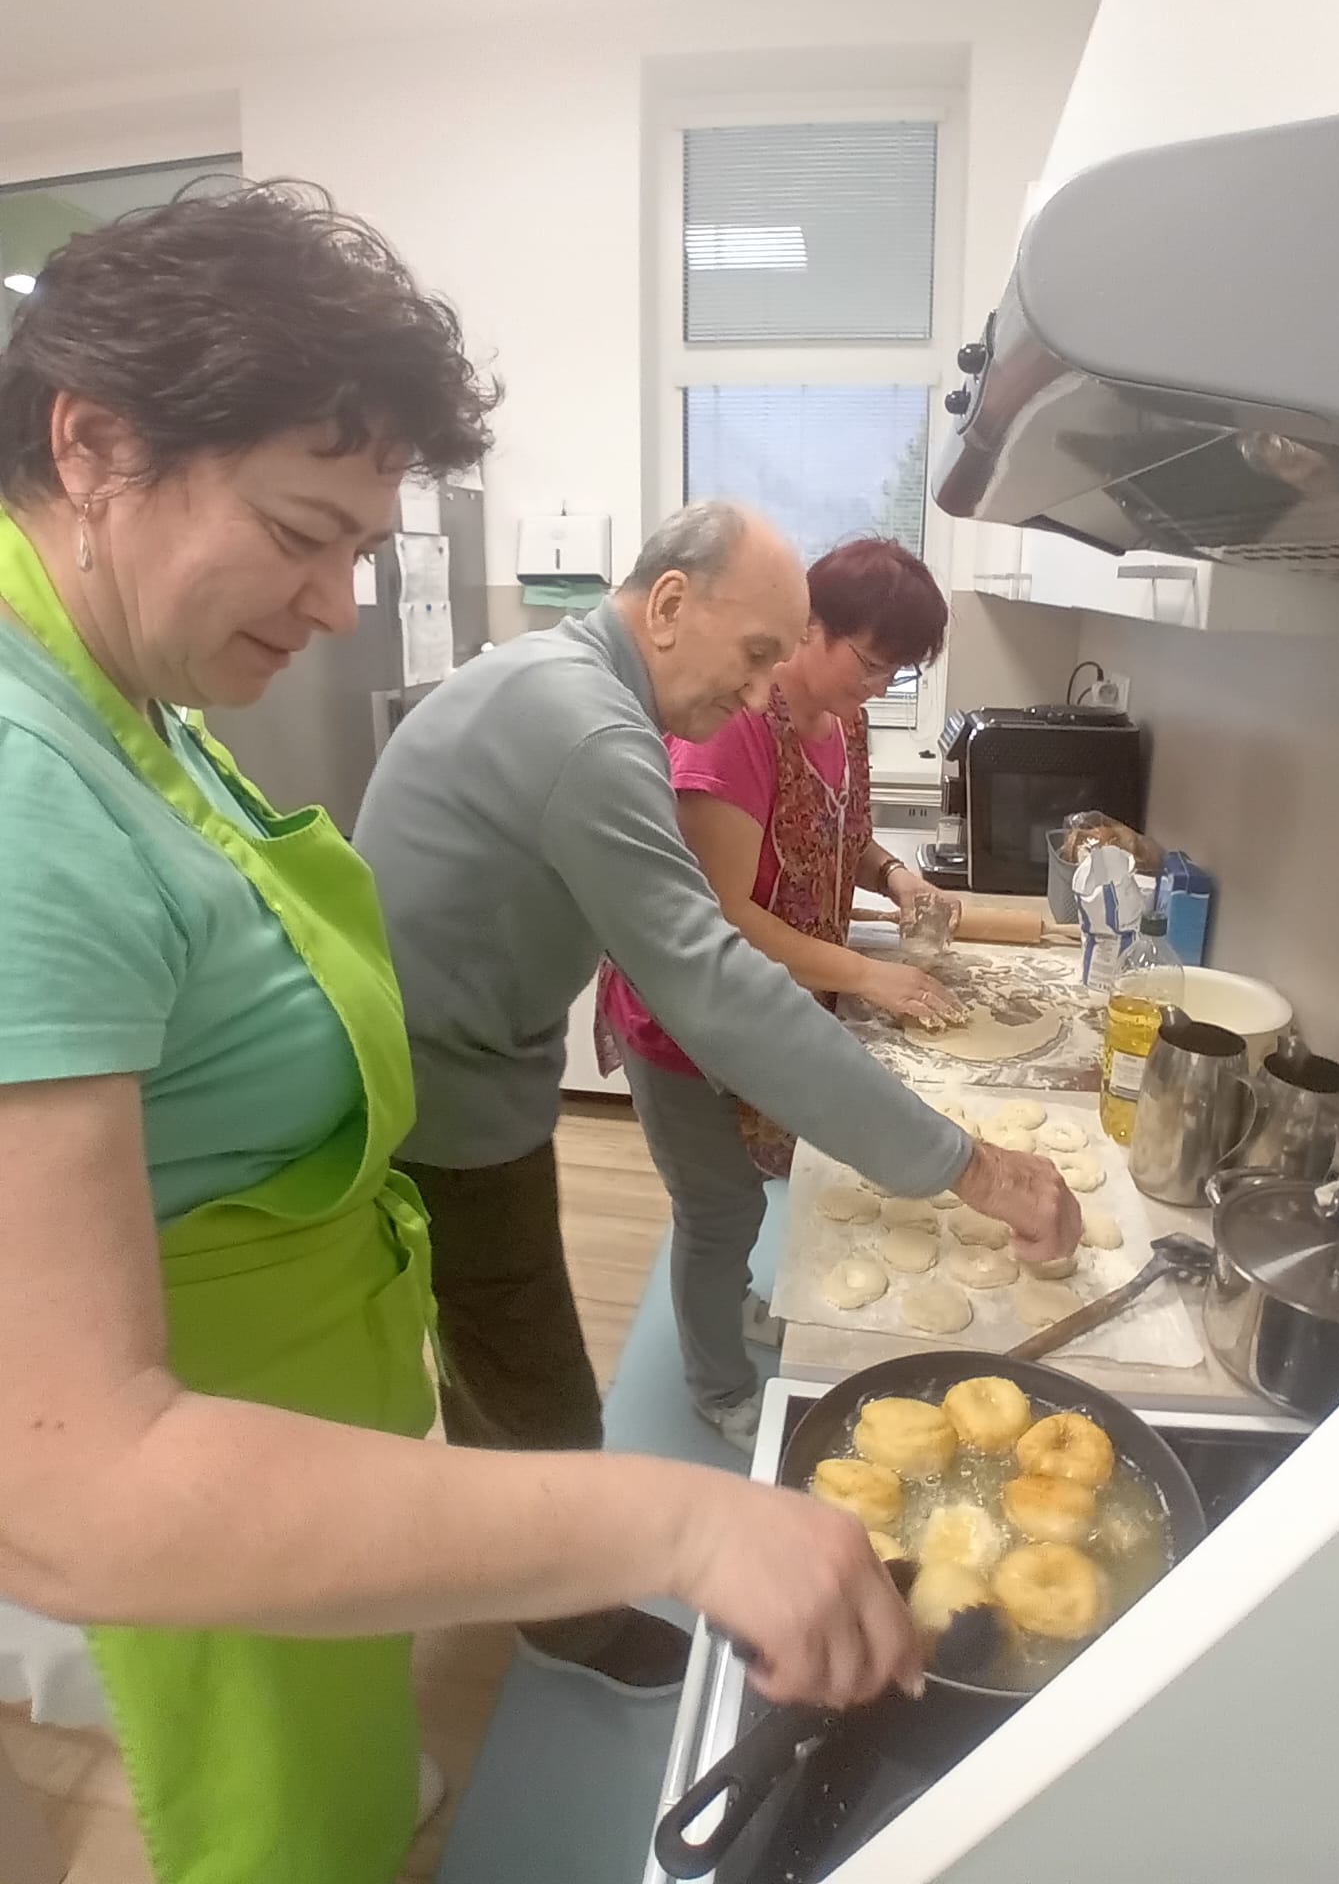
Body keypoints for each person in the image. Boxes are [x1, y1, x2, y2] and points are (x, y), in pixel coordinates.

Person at [0, 185, 933, 1884]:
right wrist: (676, 1518)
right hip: (221, 1446)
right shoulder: (22, 777)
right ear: (93, 444)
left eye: (361, 549)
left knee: (337, 1741)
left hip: (311, 1377)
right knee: (262, 1814)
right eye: (303, 531)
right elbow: (80, 1487)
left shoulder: (131, 688)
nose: (337, 604)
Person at [354, 505, 1081, 1479]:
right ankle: (566, 1572)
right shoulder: (589, 729)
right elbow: (715, 979)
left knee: (504, 1361)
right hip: (444, 1098)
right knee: (535, 1400)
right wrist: (973, 1168)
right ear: (667, 604)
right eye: (754, 654)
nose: (758, 692)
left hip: (472, 1073)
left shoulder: (567, 683)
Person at [601, 535, 966, 1445]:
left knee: (745, 1195)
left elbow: (842, 833)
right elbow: (723, 916)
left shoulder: (843, 720)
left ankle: (734, 1300)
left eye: (896, 673)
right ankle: (717, 1386)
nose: (878, 686)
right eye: (869, 663)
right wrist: (871, 975)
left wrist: (896, 877)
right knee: (718, 1206)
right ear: (809, 628)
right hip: (684, 1021)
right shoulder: (735, 734)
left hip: (774, 1009)